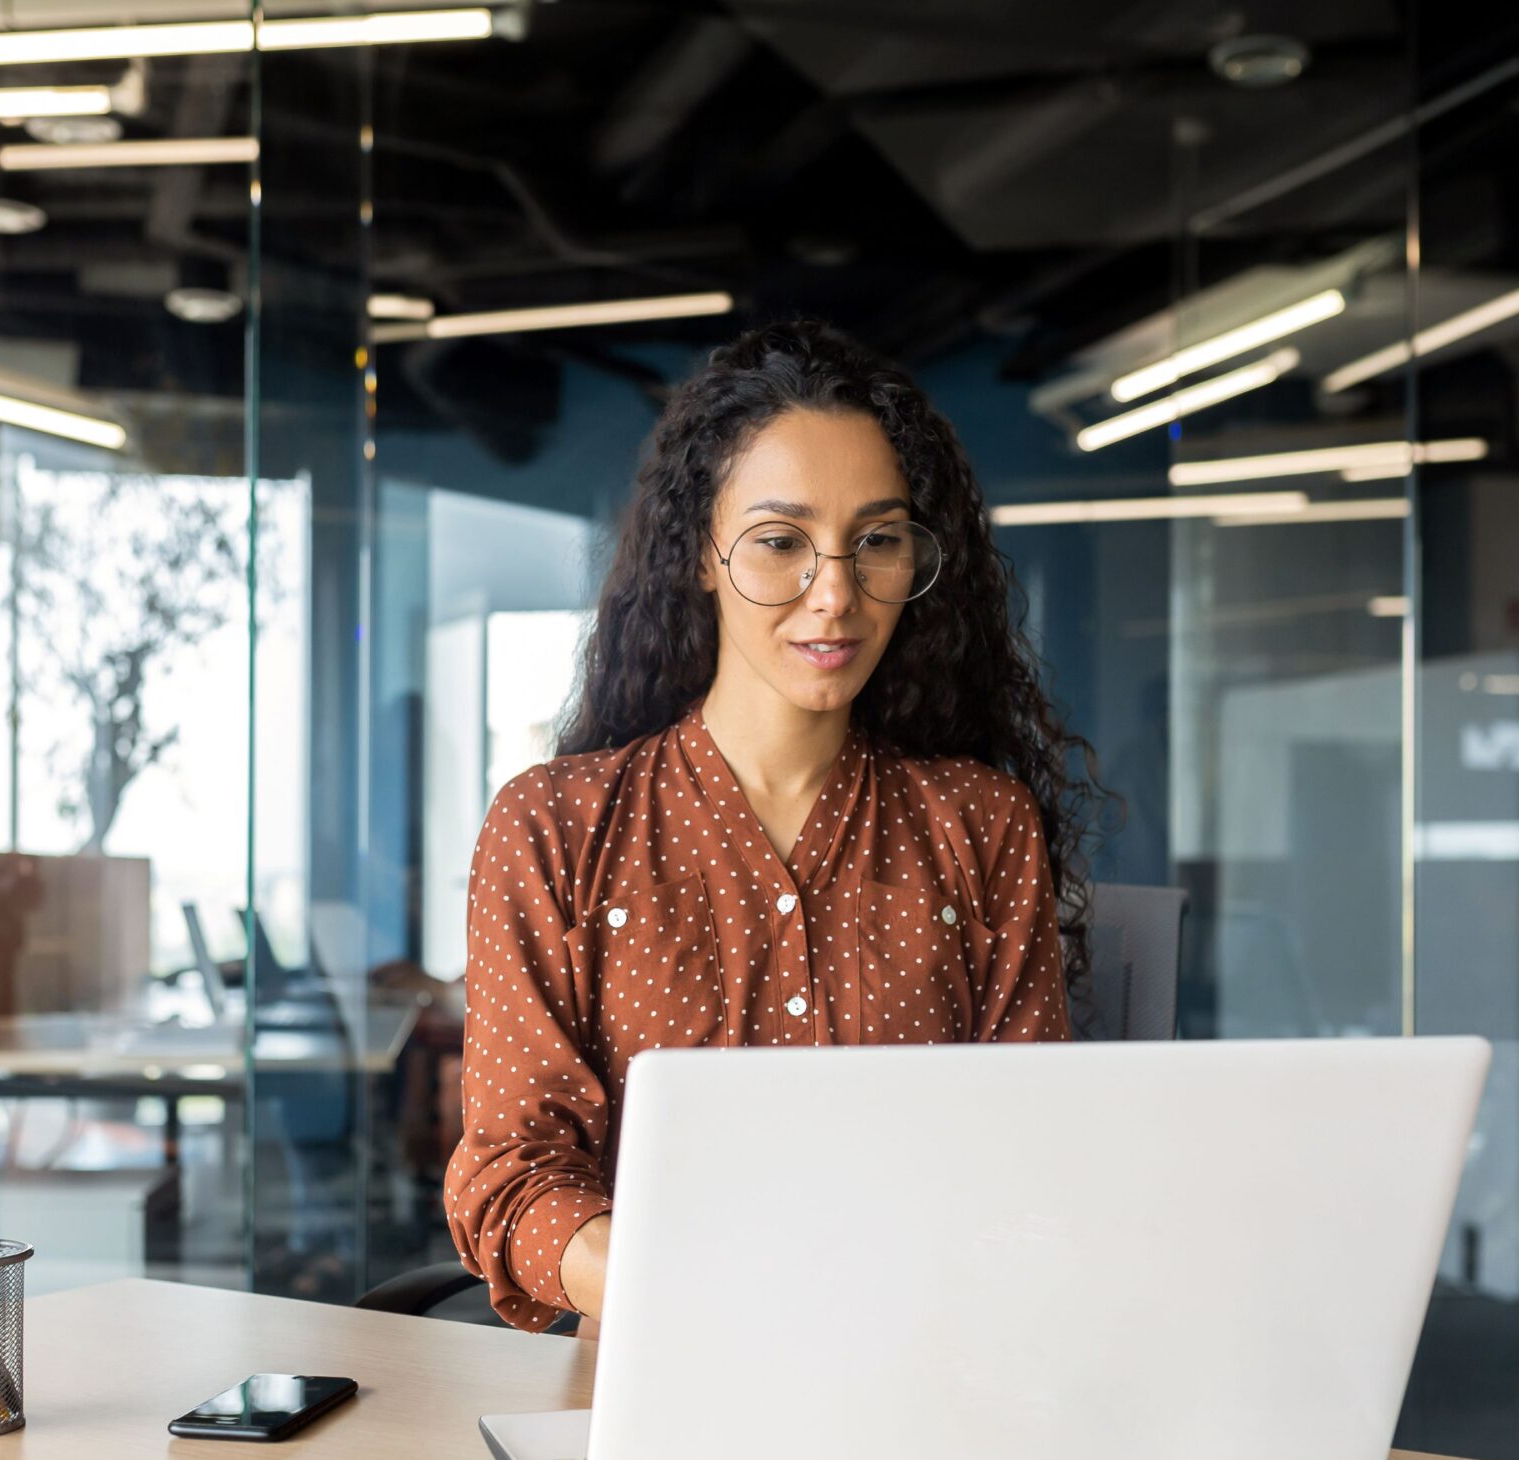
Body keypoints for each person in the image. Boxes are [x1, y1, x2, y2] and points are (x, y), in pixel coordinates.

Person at [443, 320, 1102, 1331]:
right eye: (781, 542)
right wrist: (700, 1296)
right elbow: (510, 1174)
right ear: (699, 556)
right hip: (654, 1382)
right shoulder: (555, 828)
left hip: (925, 1372)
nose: (833, 594)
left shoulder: (982, 826)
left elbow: (1031, 1158)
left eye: (875, 541)